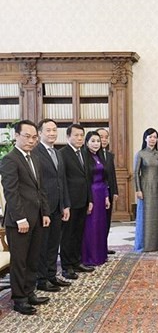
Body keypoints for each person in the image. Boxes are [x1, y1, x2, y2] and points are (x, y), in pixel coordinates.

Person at [0, 120, 51, 315]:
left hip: (37, 217)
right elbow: (11, 192)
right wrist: (21, 218)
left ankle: (29, 292)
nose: (31, 141)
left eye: (34, 137)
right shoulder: (9, 160)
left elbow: (40, 189)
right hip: (19, 221)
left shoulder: (34, 158)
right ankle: (19, 299)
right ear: (16, 136)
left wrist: (45, 212)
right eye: (27, 136)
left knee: (32, 258)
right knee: (20, 261)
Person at [34, 119, 71, 292]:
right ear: (40, 133)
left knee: (54, 244)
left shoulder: (57, 153)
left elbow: (61, 181)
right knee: (43, 245)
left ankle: (51, 275)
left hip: (58, 206)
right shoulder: (35, 152)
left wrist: (65, 205)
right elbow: (37, 184)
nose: (52, 133)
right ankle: (41, 280)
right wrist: (43, 209)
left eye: (54, 130)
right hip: (44, 207)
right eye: (48, 130)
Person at [59, 124, 94, 279]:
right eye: (76, 135)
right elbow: (62, 181)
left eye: (82, 135)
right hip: (70, 202)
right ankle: (66, 267)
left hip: (83, 201)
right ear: (68, 137)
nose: (80, 138)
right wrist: (65, 203)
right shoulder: (62, 154)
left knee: (79, 233)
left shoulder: (84, 154)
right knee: (68, 235)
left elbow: (88, 179)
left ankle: (76, 262)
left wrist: (90, 200)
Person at [134, 128, 158, 252]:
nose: (153, 139)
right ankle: (144, 244)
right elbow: (136, 173)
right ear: (145, 138)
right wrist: (138, 189)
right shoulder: (140, 154)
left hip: (157, 187)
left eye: (155, 137)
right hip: (144, 188)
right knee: (145, 215)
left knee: (157, 216)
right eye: (150, 137)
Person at [81, 131, 110, 266]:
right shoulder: (85, 157)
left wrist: (106, 197)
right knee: (91, 226)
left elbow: (105, 180)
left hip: (101, 193)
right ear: (86, 143)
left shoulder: (99, 157)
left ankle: (101, 255)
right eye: (93, 141)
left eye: (98, 141)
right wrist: (89, 200)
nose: (96, 144)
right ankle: (90, 257)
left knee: (101, 226)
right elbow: (86, 180)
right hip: (91, 193)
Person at [96, 128, 119, 255]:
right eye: (101, 137)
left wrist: (115, 190)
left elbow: (112, 174)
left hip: (109, 192)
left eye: (106, 137)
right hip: (98, 192)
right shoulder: (92, 154)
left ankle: (104, 246)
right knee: (97, 221)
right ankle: (97, 247)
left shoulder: (109, 155)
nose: (104, 140)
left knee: (107, 220)